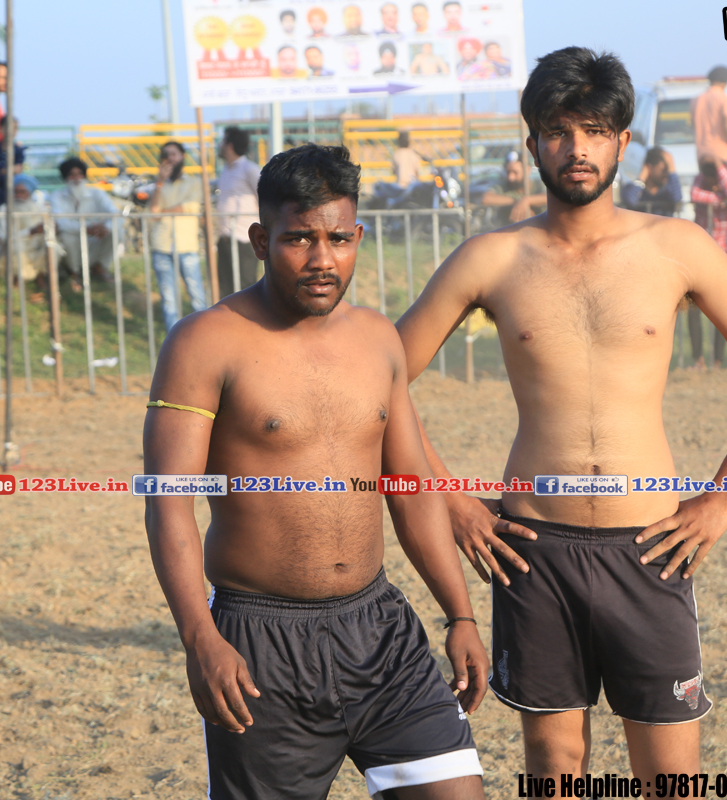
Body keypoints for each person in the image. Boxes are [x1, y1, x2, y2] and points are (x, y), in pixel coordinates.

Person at [395, 46, 727, 782]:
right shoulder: (491, 258)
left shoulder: (676, 247)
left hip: (651, 546)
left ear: (622, 142)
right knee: (554, 767)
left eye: (593, 130)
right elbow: (383, 379)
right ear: (532, 145)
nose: (576, 148)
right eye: (558, 130)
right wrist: (450, 499)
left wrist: (723, 496)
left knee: (670, 777)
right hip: (533, 549)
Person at [144, 143, 488, 800]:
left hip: (380, 631)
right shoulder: (202, 342)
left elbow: (411, 490)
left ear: (358, 236)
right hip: (262, 643)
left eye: (338, 238)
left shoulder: (379, 339)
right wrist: (200, 639)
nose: (322, 259)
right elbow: (169, 504)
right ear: (260, 240)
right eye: (299, 239)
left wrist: (460, 615)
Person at [689, 155, 727, 369]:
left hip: (724, 258)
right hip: (698, 257)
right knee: (693, 311)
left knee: (722, 312)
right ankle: (698, 359)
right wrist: (719, 198)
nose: (712, 183)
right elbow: (694, 194)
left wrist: (720, 167)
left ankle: (718, 361)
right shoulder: (700, 181)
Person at [149, 141, 208, 331]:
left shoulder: (194, 182)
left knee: (196, 295)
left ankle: (205, 336)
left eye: (174, 154)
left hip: (186, 245)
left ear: (182, 157)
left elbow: (191, 206)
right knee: (168, 298)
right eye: (166, 155)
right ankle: (173, 340)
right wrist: (159, 182)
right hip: (162, 245)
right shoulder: (158, 185)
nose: (170, 159)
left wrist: (164, 212)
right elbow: (153, 212)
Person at [49, 157, 118, 288]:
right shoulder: (57, 196)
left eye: (79, 174)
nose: (76, 178)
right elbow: (60, 222)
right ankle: (74, 273)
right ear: (65, 177)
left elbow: (114, 213)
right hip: (72, 238)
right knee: (67, 237)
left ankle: (99, 267)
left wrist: (105, 228)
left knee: (117, 230)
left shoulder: (97, 193)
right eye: (72, 174)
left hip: (95, 237)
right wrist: (85, 228)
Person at [214, 127, 262, 296]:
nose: (220, 145)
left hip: (245, 238)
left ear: (230, 146)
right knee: (226, 288)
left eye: (223, 141)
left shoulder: (249, 169)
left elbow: (265, 197)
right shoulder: (226, 170)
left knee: (246, 286)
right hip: (225, 237)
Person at [0, 174, 50, 298]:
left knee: (53, 247)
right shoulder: (4, 209)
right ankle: (17, 281)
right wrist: (30, 232)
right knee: (17, 247)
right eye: (16, 192)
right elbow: (6, 236)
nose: (18, 195)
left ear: (30, 193)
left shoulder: (40, 209)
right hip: (15, 245)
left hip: (36, 246)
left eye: (22, 192)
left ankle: (41, 277)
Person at [692, 66, 727, 167]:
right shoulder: (726, 99)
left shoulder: (696, 100)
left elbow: (693, 124)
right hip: (722, 152)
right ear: (725, 82)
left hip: (702, 153)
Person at [481, 153, 546, 226]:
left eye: (515, 172)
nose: (510, 177)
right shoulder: (503, 186)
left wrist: (527, 200)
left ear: (528, 170)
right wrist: (518, 203)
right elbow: (486, 198)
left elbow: (549, 197)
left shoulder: (539, 185)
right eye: (508, 172)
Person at [622, 147, 682, 216]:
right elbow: (630, 200)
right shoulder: (636, 190)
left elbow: (677, 200)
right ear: (649, 168)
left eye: (667, 170)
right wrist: (642, 177)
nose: (666, 174)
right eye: (663, 169)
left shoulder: (667, 192)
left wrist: (671, 168)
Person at [0, 115, 25, 208]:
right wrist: (11, 170)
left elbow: (18, 170)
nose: (13, 131)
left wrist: (2, 172)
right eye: (10, 128)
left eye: (15, 128)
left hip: (12, 194)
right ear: (1, 129)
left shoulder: (18, 150)